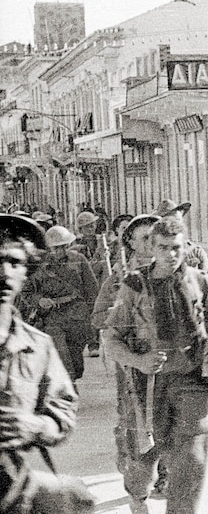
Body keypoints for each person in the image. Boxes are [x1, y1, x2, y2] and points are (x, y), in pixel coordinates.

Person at [103, 216, 208, 514]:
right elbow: (112, 340)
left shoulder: (200, 281)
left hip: (191, 382)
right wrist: (139, 361)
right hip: (148, 388)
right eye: (164, 247)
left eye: (177, 248)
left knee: (190, 463)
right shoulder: (134, 286)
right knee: (142, 465)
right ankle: (137, 496)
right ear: (152, 247)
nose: (171, 254)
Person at [0, 214, 94, 514]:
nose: (3, 273)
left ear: (25, 272)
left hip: (14, 491)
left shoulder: (37, 346)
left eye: (14, 262)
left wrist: (35, 425)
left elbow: (62, 409)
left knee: (78, 500)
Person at [90, 214, 161, 496]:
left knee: (168, 423)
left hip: (165, 362)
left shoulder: (170, 272)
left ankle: (164, 474)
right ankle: (132, 463)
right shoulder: (118, 279)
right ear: (130, 242)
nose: (151, 244)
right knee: (134, 420)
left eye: (154, 237)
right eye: (144, 238)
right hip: (131, 362)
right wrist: (120, 313)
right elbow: (97, 319)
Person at [16, 225, 98, 382]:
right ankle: (68, 392)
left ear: (67, 245)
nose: (58, 251)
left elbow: (91, 288)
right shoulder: (38, 265)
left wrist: (90, 313)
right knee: (63, 360)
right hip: (53, 318)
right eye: (54, 248)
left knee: (76, 364)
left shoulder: (79, 260)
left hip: (78, 318)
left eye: (62, 247)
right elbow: (26, 292)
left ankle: (71, 380)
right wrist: (39, 300)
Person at [153, 199, 208, 275]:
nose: (175, 225)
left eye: (178, 220)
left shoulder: (196, 252)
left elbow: (205, 281)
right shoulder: (152, 250)